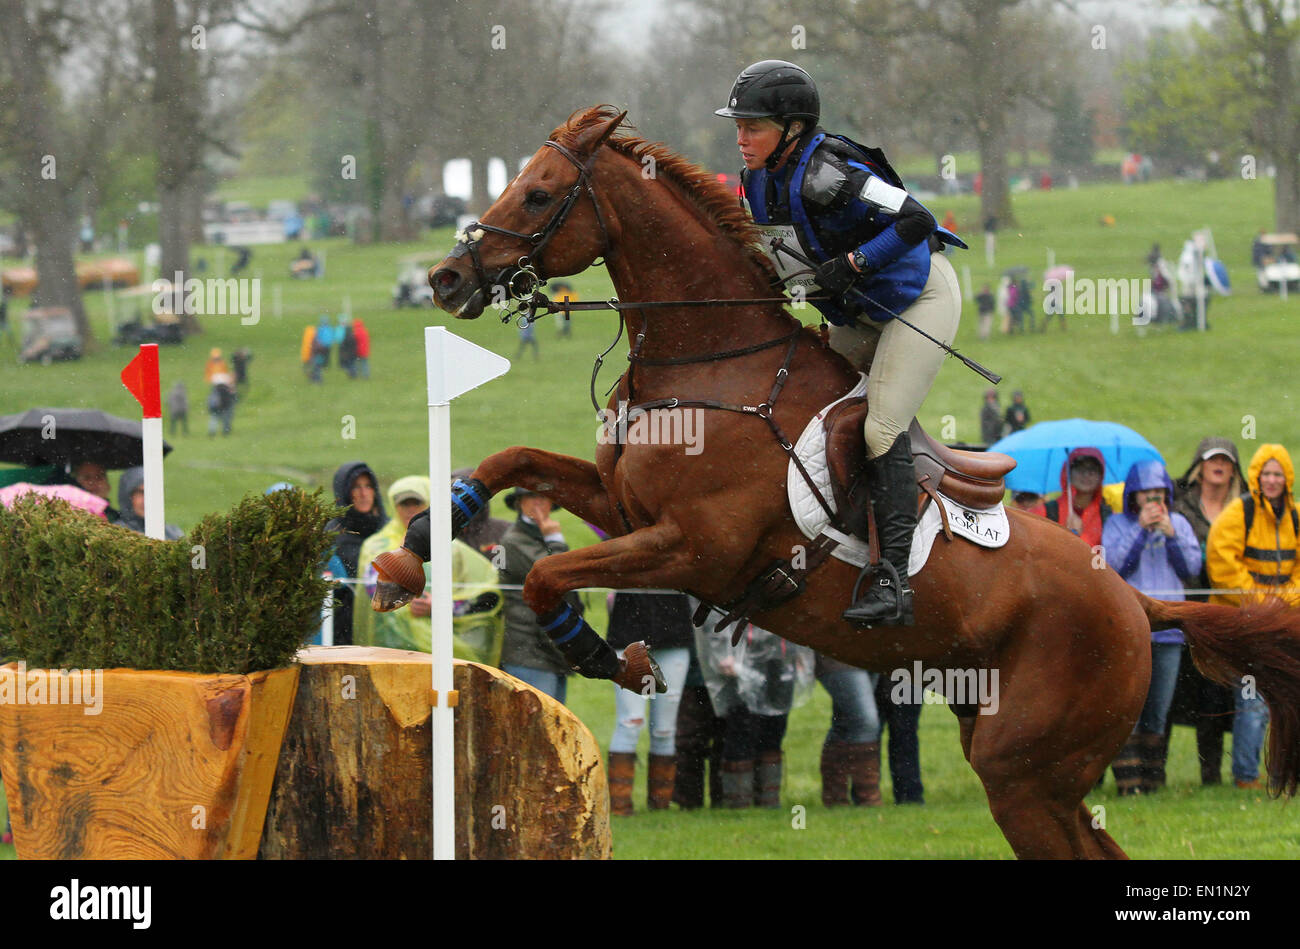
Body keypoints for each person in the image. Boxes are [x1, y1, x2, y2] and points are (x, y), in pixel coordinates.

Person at [717, 59, 966, 627]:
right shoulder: (755, 181)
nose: (740, 137)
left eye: (751, 125)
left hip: (917, 299)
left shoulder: (827, 171)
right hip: (859, 311)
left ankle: (892, 580)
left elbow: (917, 219)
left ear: (792, 128)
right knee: (803, 397)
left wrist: (854, 261)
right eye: (738, 125)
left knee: (881, 427)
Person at [1102, 460, 1202, 794]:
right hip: (1129, 631)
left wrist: (1171, 537)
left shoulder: (1178, 524)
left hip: (1169, 633)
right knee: (1127, 707)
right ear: (1134, 495)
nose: (1154, 501)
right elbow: (1113, 567)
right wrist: (1140, 530)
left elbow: (1191, 567)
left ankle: (1153, 783)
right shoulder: (1117, 524)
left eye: (1159, 493)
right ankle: (1129, 786)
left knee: (1158, 712)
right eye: (1148, 494)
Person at [1207, 443, 1300, 789]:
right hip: (1246, 626)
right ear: (1256, 477)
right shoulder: (1237, 514)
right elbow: (1223, 568)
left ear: (1287, 479)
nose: (1272, 480)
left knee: (1288, 700)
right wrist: (1264, 606)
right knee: (1253, 699)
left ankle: (1282, 772)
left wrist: (1282, 604)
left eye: (1278, 474)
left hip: (1284, 624)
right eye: (1267, 474)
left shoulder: (1296, 517)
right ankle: (1246, 776)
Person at [357, 476, 503, 663]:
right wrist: (406, 602)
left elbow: (487, 596)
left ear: (428, 504)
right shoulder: (376, 545)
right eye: (403, 504)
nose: (410, 509)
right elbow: (373, 591)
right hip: (390, 648)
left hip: (445, 651)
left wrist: (441, 606)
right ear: (394, 507)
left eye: (416, 503)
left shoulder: (454, 550)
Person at [1168, 437, 1245, 785]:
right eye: (1214, 459)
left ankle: (1214, 775)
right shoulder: (1180, 505)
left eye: (1227, 461)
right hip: (1186, 613)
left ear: (1234, 470)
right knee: (1179, 694)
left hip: (1231, 615)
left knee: (1219, 694)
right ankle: (1154, 776)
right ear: (1200, 464)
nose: (1220, 466)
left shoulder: (1244, 509)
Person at [693, 602, 814, 808]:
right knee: (742, 727)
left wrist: (800, 653)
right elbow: (713, 610)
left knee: (775, 728)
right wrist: (722, 652)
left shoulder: (789, 571)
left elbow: (798, 607)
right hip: (740, 657)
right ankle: (738, 802)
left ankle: (768, 799)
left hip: (783, 656)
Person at [605, 591, 694, 815]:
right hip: (628, 632)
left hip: (673, 633)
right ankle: (619, 806)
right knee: (630, 723)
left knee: (665, 729)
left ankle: (660, 805)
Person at [497, 487, 580, 703]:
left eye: (543, 497)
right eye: (531, 496)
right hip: (528, 650)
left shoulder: (543, 537)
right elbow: (556, 576)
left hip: (552, 647)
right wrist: (555, 539)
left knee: (555, 726)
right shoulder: (513, 541)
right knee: (538, 726)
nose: (538, 503)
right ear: (519, 503)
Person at [325, 462, 388, 647]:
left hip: (383, 627)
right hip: (343, 631)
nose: (363, 493)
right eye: (355, 487)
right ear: (344, 492)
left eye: (368, 486)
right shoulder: (333, 534)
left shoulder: (388, 530)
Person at [816, 654, 882, 806]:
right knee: (866, 721)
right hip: (837, 654)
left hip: (870, 652)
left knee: (844, 723)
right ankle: (868, 797)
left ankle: (835, 797)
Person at [1034, 448, 1112, 548]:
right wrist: (1063, 536)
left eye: (1092, 469)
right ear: (1068, 473)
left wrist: (1079, 538)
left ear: (1101, 475)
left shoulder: (1108, 517)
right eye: (1080, 468)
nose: (1086, 475)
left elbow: (1110, 559)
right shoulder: (1045, 512)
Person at [110, 466, 184, 540]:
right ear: (127, 497)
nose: (147, 500)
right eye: (141, 493)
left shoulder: (174, 533)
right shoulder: (117, 535)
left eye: (152, 492)